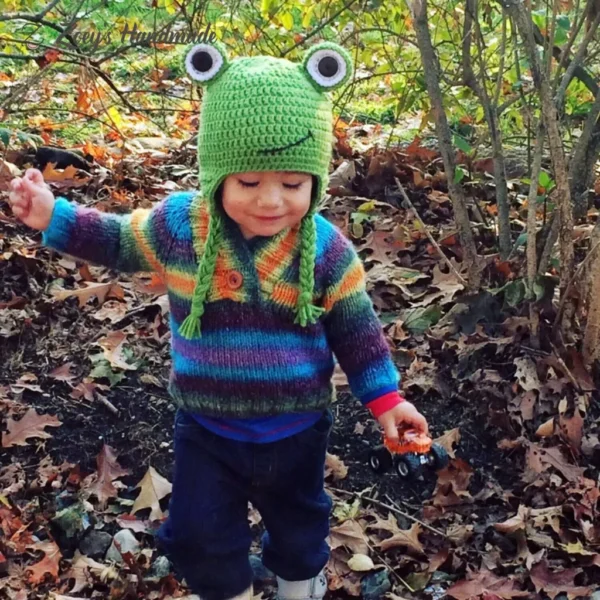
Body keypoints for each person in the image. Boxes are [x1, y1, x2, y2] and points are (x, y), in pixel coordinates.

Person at [7, 40, 429, 600]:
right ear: (217, 175)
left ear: (316, 182)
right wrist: (53, 216)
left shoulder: (324, 251)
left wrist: (386, 401)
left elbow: (358, 334)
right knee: (202, 537)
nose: (271, 200)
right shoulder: (182, 227)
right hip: (206, 431)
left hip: (297, 432)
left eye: (294, 183)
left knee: (301, 529)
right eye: (249, 184)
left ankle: (297, 587)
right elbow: (117, 239)